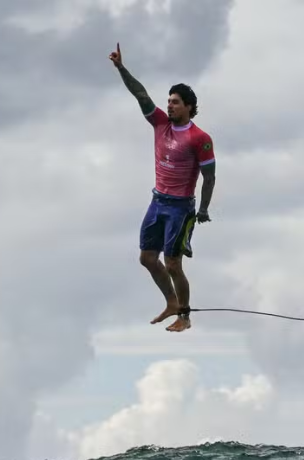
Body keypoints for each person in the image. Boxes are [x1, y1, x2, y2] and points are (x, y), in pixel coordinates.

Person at [108, 42, 216, 333]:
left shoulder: (199, 138)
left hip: (181, 208)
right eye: (168, 101)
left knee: (173, 264)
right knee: (146, 258)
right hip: (158, 201)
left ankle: (185, 315)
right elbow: (140, 93)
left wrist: (203, 209)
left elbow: (210, 177)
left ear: (189, 107)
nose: (169, 105)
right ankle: (171, 302)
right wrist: (121, 68)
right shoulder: (159, 124)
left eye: (175, 102)